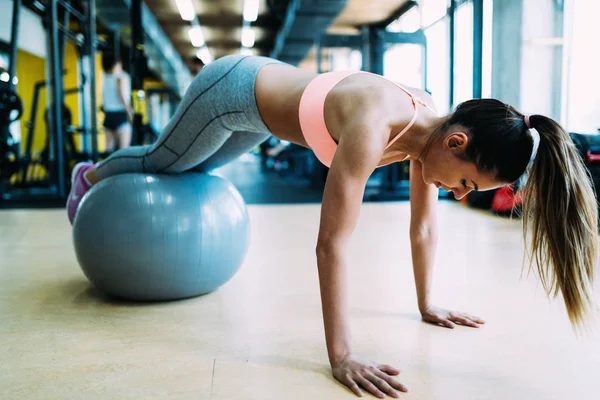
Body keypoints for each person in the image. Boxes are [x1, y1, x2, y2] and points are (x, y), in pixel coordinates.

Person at [66, 54, 598, 398]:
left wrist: (427, 303)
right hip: (232, 89)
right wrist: (340, 356)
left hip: (255, 116)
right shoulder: (373, 123)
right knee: (166, 163)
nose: (455, 194)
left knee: (194, 167)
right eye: (462, 185)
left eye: (464, 194)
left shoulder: (429, 128)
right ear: (457, 144)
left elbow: (423, 229)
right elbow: (331, 245)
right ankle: (89, 175)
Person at [101, 54, 132, 151]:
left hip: (108, 115)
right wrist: (130, 111)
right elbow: (122, 95)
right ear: (115, 64)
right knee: (124, 151)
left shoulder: (104, 77)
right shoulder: (121, 77)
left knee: (108, 150)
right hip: (120, 114)